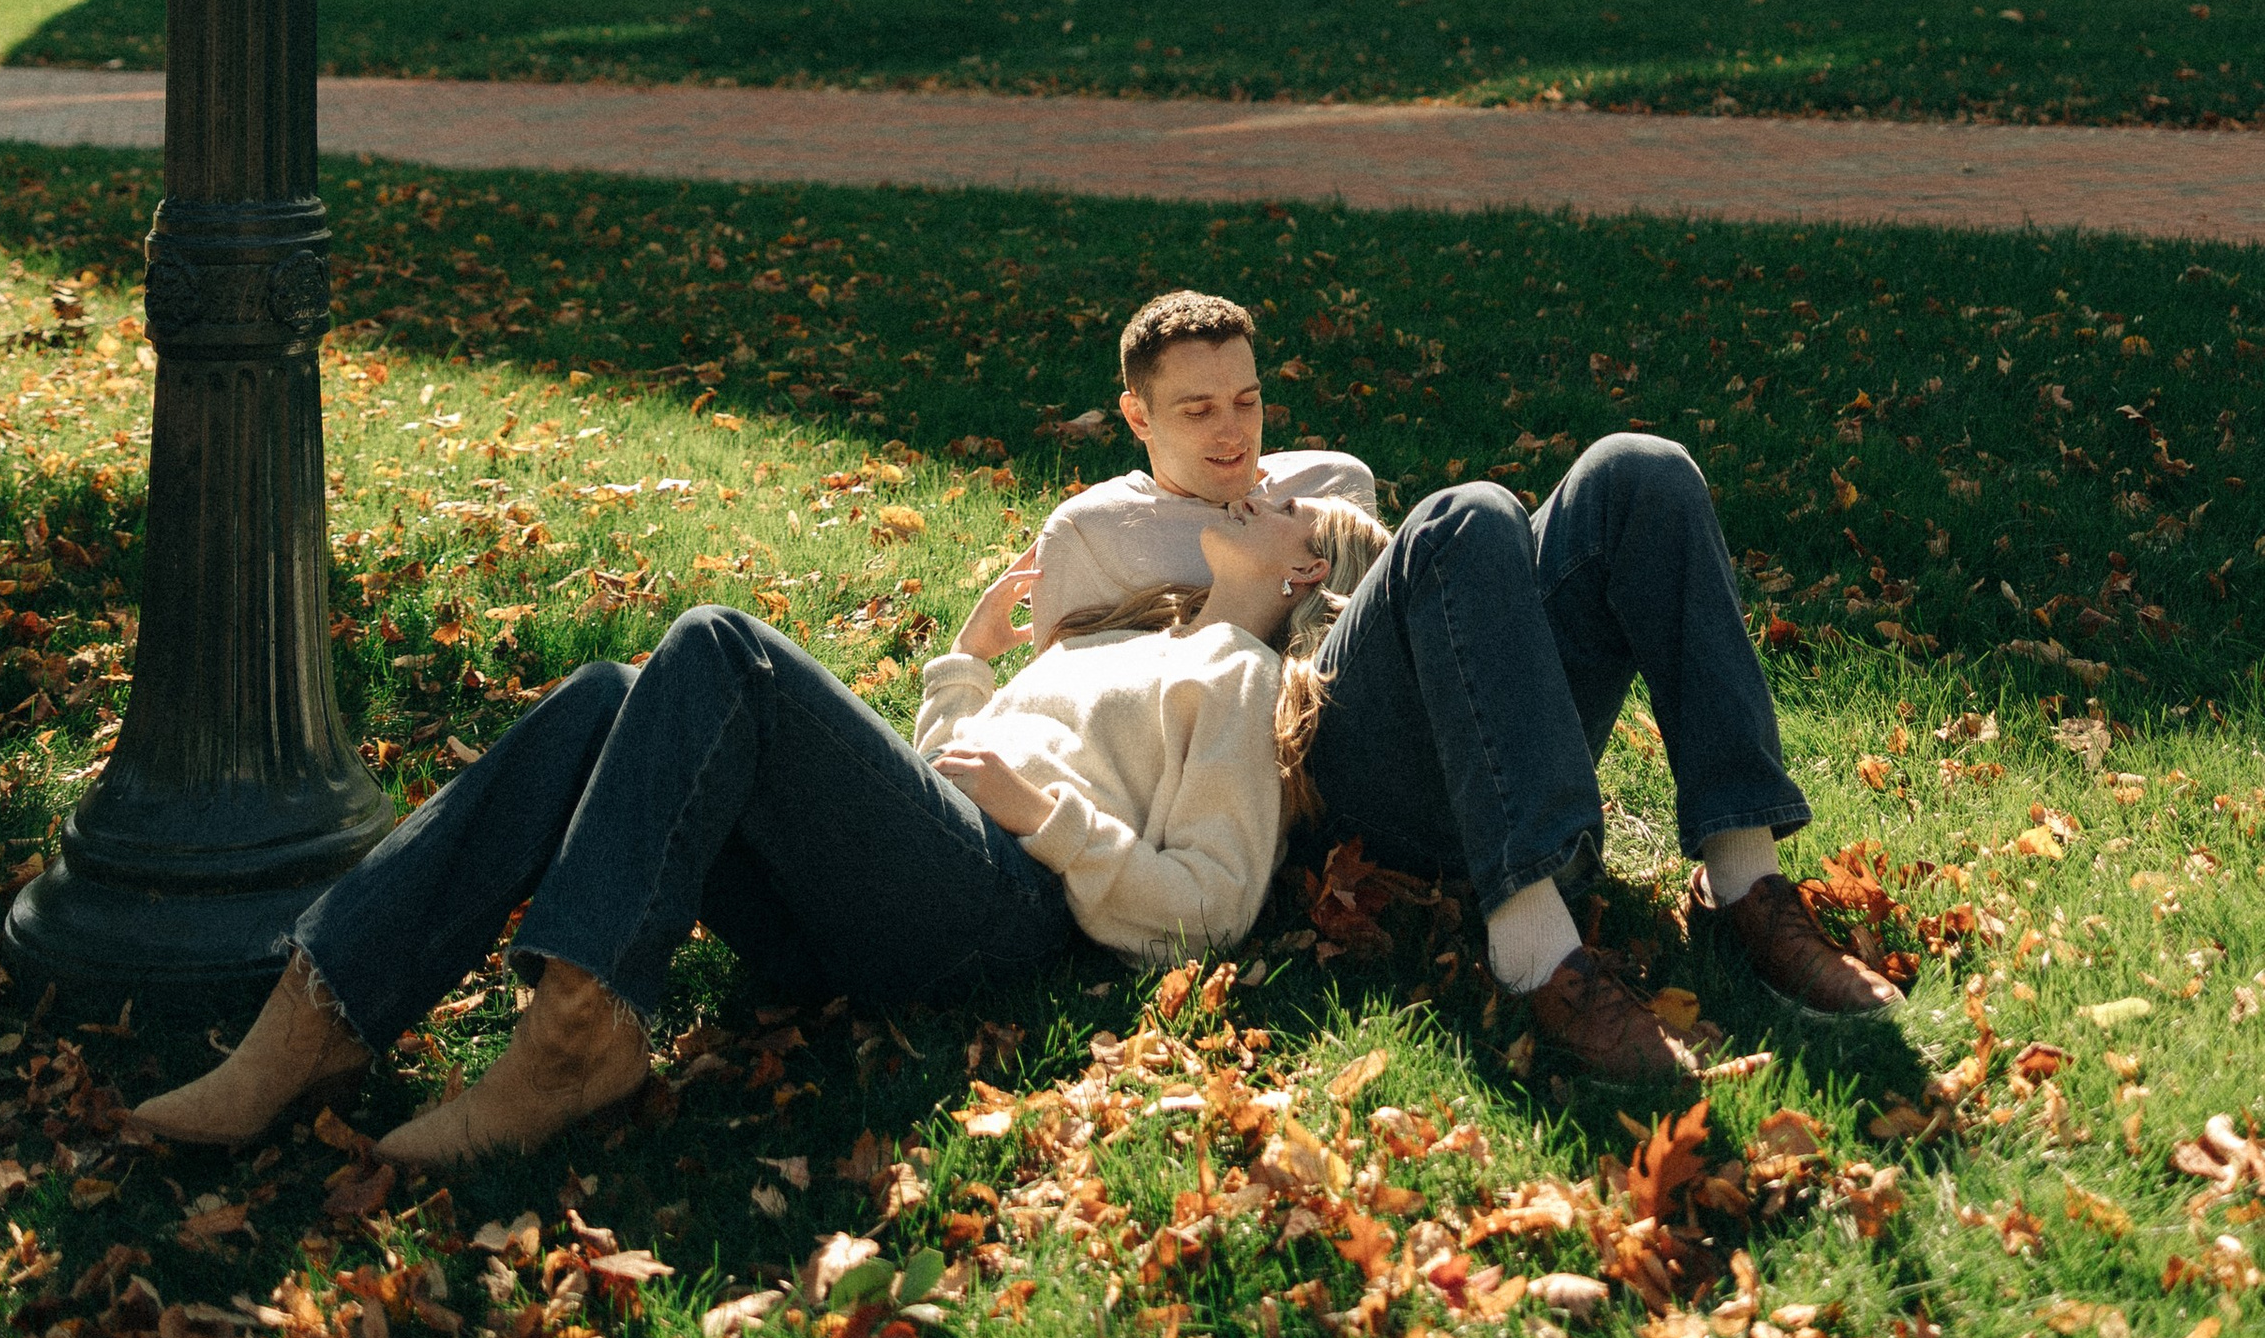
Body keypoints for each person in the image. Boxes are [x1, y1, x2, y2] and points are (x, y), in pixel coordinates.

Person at [129, 490, 1384, 1166]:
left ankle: (579, 1037)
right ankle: (327, 1011)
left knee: (721, 647)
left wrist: (1050, 820)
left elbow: (1208, 909)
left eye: (1284, 505)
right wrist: (962, 669)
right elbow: (965, 761)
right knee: (606, 699)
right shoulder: (1138, 628)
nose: (1254, 485)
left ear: (1303, 572)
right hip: (924, 870)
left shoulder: (1244, 683)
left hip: (1001, 913)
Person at [1031, 289, 1898, 1085]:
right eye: (1197, 410)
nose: (1234, 433)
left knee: (1642, 470)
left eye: (1248, 401)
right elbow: (1093, 726)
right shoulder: (1094, 536)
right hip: (1320, 780)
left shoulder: (1329, 480)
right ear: (1136, 416)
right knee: (1466, 513)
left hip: (1465, 727)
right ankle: (1535, 954)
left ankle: (1744, 882)